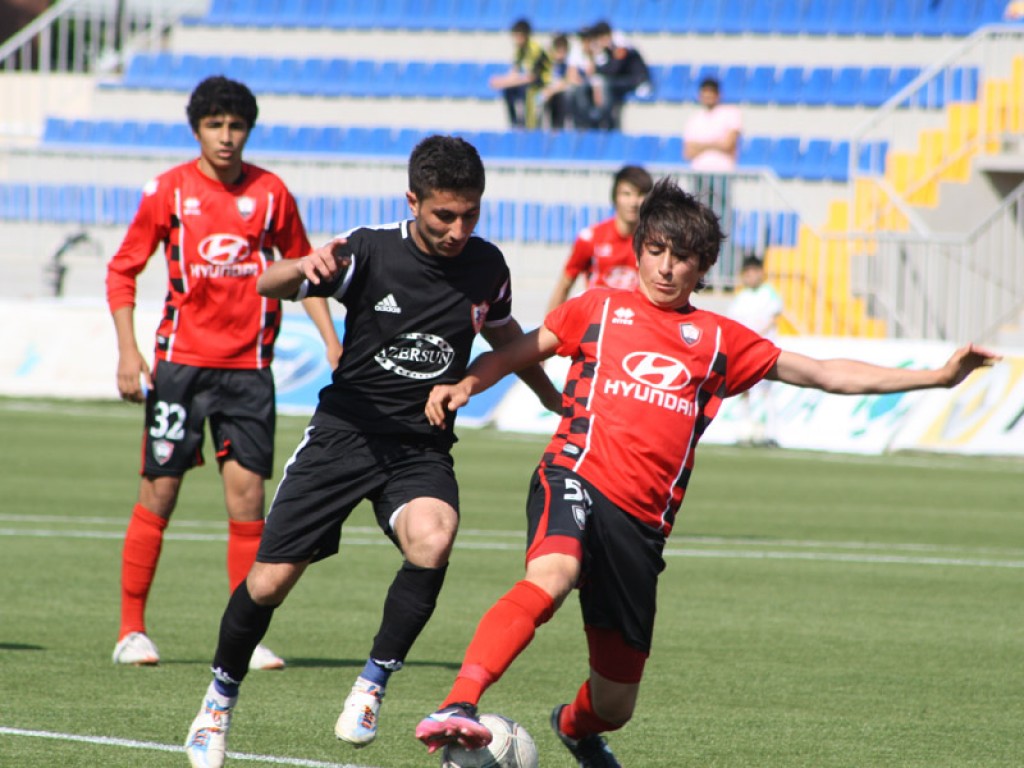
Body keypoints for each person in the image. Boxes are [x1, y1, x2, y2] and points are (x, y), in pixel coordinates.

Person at [414, 178, 998, 766]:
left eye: (682, 257)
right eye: (656, 251)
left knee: (614, 704)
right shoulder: (599, 308)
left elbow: (825, 373)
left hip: (641, 527)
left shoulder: (720, 340)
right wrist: (467, 384)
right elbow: (510, 353)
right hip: (574, 475)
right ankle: (460, 702)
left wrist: (937, 377)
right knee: (553, 574)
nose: (666, 268)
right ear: (639, 249)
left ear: (703, 267)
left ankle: (573, 727)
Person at [183, 134, 562, 768]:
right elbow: (268, 283)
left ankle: (371, 685)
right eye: (444, 215)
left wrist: (552, 397)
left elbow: (506, 337)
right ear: (413, 201)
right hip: (344, 435)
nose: (458, 229)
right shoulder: (368, 250)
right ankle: (217, 703)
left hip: (419, 447)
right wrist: (303, 267)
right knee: (269, 583)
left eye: (470, 214)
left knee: (434, 538)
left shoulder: (486, 266)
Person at [106, 75, 342, 672]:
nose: (226, 136)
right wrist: (128, 352)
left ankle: (245, 638)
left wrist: (331, 341)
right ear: (197, 130)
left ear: (248, 131)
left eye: (236, 126)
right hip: (181, 368)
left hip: (248, 371)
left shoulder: (272, 193)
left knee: (248, 499)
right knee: (160, 492)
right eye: (215, 125)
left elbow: (305, 270)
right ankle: (131, 630)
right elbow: (123, 269)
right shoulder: (168, 190)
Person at [547, 164, 653, 313]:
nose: (633, 202)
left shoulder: (654, 242)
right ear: (615, 197)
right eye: (627, 194)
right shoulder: (591, 238)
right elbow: (564, 285)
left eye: (640, 194)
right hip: (598, 317)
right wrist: (549, 323)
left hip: (637, 318)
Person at [727, 253, 784, 446]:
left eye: (754, 271)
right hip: (745, 350)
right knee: (743, 391)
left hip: (765, 350)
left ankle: (771, 433)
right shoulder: (740, 297)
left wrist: (755, 337)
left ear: (761, 273)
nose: (751, 276)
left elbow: (773, 318)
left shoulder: (769, 293)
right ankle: (745, 432)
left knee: (766, 392)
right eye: (747, 272)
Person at [683, 76, 742, 238]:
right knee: (698, 213)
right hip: (699, 173)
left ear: (718, 94)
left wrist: (701, 145)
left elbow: (728, 144)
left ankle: (723, 251)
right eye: (705, 92)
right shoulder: (694, 119)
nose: (708, 96)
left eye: (711, 92)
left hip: (722, 173)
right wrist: (716, 143)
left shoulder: (730, 114)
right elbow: (688, 152)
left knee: (721, 214)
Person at [488, 17, 551, 130]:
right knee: (509, 91)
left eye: (518, 36)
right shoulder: (519, 51)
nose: (516, 39)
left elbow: (531, 77)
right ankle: (515, 124)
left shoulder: (535, 49)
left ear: (526, 35)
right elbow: (514, 72)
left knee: (527, 90)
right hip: (528, 82)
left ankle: (530, 127)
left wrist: (504, 83)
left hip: (542, 83)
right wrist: (500, 81)